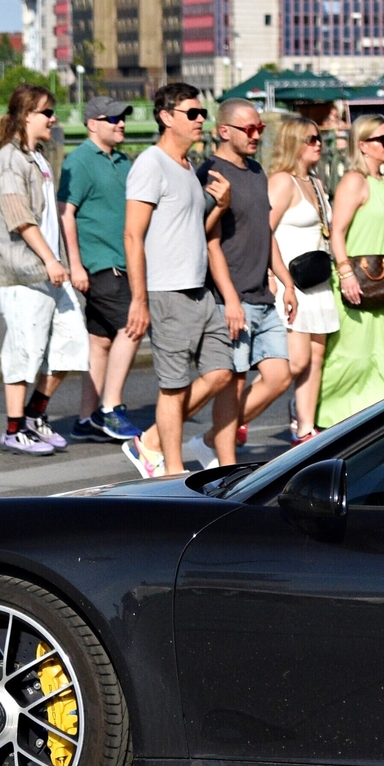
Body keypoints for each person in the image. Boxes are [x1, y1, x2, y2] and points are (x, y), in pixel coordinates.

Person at [121, 83, 236, 477]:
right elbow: (133, 235)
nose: (201, 119)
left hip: (199, 289)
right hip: (167, 290)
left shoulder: (188, 168)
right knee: (174, 386)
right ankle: (171, 471)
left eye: (202, 113)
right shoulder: (151, 164)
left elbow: (192, 229)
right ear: (166, 117)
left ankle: (149, 441)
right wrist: (139, 299)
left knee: (222, 372)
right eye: (192, 113)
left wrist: (219, 207)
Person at [0, 84, 90, 456]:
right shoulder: (9, 161)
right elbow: (20, 218)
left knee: (72, 344)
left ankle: (35, 414)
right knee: (23, 350)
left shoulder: (38, 157)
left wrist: (60, 261)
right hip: (24, 272)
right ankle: (14, 430)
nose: (53, 119)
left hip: (50, 270)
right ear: (26, 115)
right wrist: (50, 259)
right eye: (47, 112)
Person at [200, 98, 297, 457]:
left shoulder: (257, 171)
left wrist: (286, 280)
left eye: (261, 128)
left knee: (279, 377)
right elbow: (208, 241)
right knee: (233, 382)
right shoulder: (211, 173)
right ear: (224, 131)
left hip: (262, 294)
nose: (257, 135)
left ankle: (214, 438)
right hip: (233, 297)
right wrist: (229, 299)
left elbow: (264, 231)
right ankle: (225, 465)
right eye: (250, 129)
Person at [316, 118, 384, 426]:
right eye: (382, 139)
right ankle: (332, 419)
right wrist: (346, 273)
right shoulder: (354, 181)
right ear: (362, 144)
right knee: (356, 357)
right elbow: (337, 231)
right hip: (358, 283)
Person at [60, 95, 143, 442]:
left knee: (100, 341)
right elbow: (67, 212)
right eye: (113, 119)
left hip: (123, 260)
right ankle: (111, 407)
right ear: (93, 124)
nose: (120, 123)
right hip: (101, 263)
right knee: (132, 327)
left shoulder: (124, 161)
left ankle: (85, 419)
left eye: (123, 118)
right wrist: (75, 264)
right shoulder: (79, 161)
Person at [266, 116, 339, 442]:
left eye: (319, 138)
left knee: (316, 358)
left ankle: (305, 428)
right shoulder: (282, 181)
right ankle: (239, 413)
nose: (318, 144)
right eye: (311, 139)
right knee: (296, 361)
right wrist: (269, 273)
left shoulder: (317, 184)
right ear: (294, 143)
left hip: (317, 281)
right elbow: (262, 229)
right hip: (289, 281)